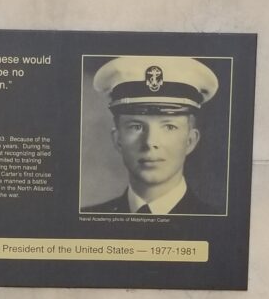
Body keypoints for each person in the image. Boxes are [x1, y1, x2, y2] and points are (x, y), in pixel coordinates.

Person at [82, 55, 218, 215]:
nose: (150, 142)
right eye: (136, 126)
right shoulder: (89, 219)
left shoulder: (216, 223)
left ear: (190, 141)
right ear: (118, 139)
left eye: (169, 127)